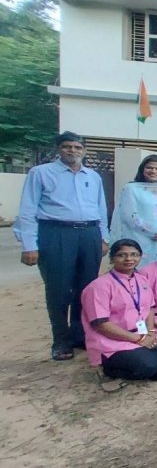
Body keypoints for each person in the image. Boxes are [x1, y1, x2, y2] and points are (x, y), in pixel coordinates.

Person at [14, 131, 109, 361]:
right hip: (55, 233)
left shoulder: (93, 176)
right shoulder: (41, 173)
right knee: (58, 288)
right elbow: (27, 210)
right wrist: (29, 244)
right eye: (68, 147)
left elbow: (101, 208)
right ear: (59, 148)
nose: (73, 151)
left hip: (89, 233)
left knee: (86, 288)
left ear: (83, 150)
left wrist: (103, 237)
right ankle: (61, 340)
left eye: (77, 147)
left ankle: (79, 335)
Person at [80, 239, 157, 384]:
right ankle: (106, 369)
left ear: (140, 257)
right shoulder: (98, 287)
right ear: (112, 258)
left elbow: (149, 308)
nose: (129, 259)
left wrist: (150, 332)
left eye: (134, 255)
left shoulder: (141, 280)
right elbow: (101, 324)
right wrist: (139, 339)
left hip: (140, 334)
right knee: (149, 365)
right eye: (122, 255)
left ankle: (142, 365)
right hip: (112, 341)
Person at [111, 154, 157, 266]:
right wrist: (154, 232)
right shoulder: (131, 189)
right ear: (142, 169)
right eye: (149, 168)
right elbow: (129, 216)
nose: (153, 171)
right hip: (139, 238)